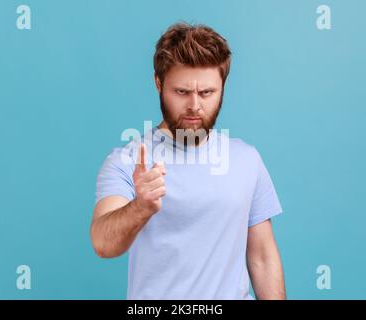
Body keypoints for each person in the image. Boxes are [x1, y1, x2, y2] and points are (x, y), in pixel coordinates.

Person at [90, 22, 286, 300]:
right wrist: (140, 207)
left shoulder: (246, 159)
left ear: (222, 87)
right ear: (159, 83)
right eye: (182, 92)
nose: (194, 105)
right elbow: (103, 243)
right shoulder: (128, 160)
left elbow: (262, 257)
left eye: (207, 92)